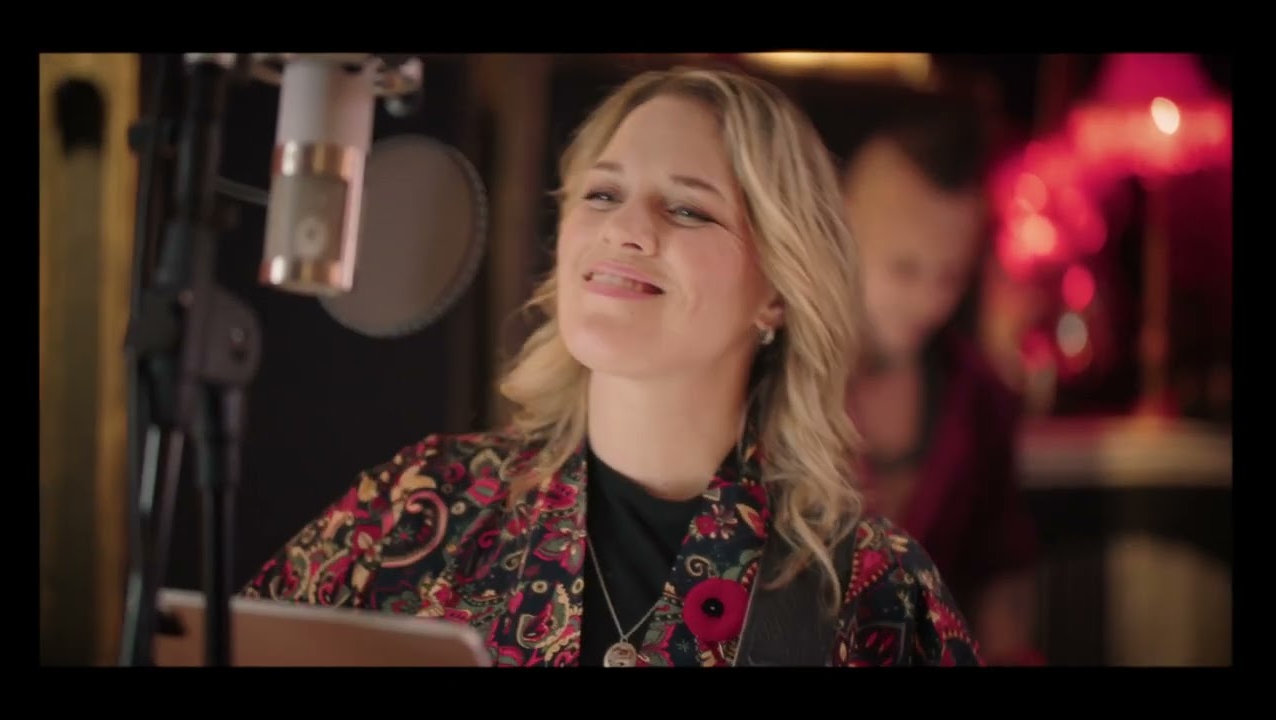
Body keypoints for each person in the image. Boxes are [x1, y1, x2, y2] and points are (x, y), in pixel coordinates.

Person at [241, 66, 983, 667]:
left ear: (778, 294)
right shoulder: (416, 509)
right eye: (602, 194)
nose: (624, 228)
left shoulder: (875, 594)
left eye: (687, 209)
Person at [835, 85, 1042, 665]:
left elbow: (1001, 577)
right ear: (843, 229)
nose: (929, 301)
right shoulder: (767, 376)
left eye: (950, 276)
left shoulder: (979, 396)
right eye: (904, 269)